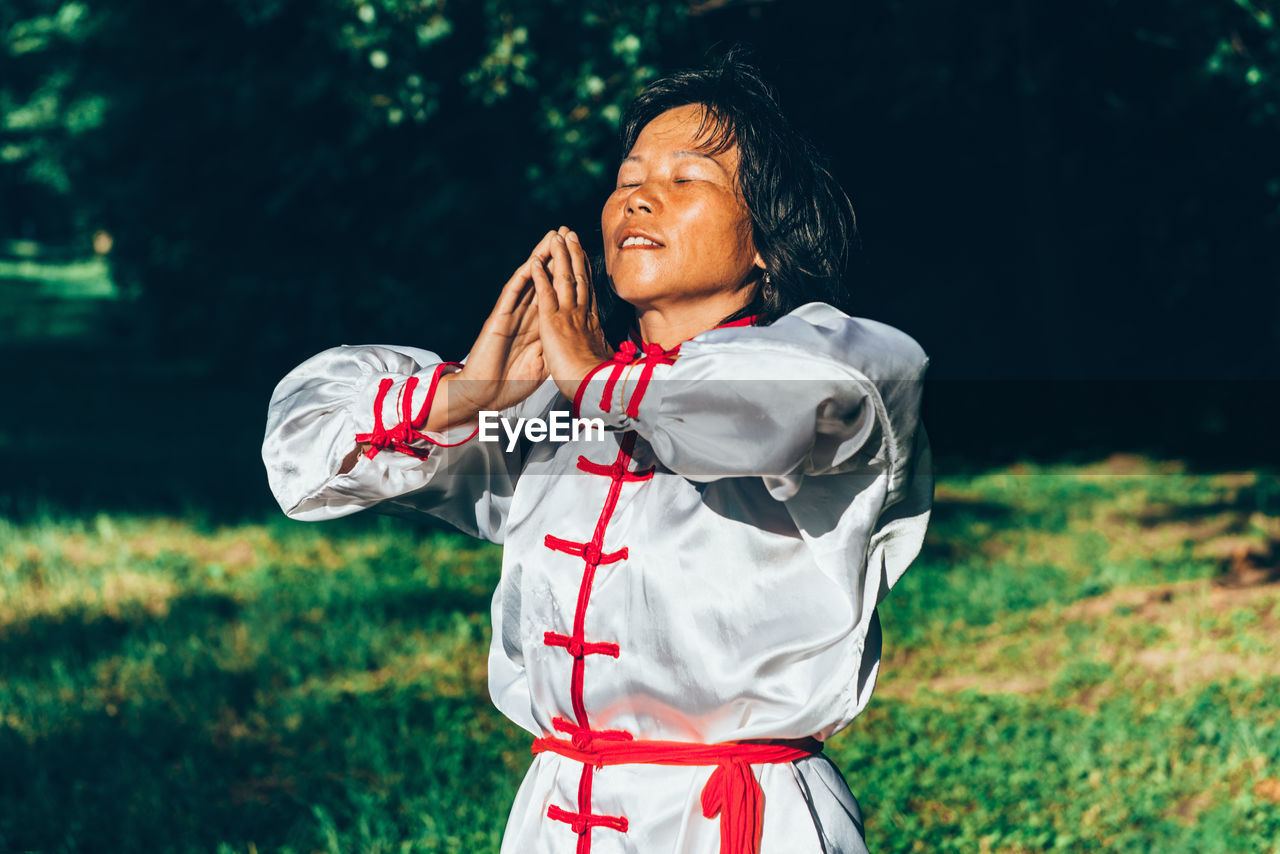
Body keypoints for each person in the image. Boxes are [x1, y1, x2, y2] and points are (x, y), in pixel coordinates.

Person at [263, 55, 931, 854]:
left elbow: (779, 406)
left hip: (739, 823)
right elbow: (305, 453)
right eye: (627, 177)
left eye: (688, 180)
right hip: (556, 814)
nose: (639, 197)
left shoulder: (825, 370)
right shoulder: (548, 418)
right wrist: (465, 397)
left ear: (764, 240)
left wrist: (596, 383)